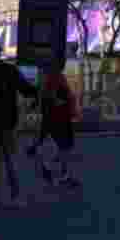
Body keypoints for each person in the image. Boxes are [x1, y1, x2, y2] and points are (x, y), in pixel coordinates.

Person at [0, 40, 38, 209]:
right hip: (7, 122)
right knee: (9, 160)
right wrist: (37, 92)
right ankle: (15, 197)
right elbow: (25, 89)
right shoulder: (10, 70)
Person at [35, 57, 81, 188]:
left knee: (64, 147)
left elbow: (48, 95)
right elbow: (51, 95)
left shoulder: (53, 76)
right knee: (65, 146)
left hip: (60, 116)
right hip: (61, 117)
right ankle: (55, 171)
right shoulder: (54, 76)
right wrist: (60, 103)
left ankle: (57, 171)